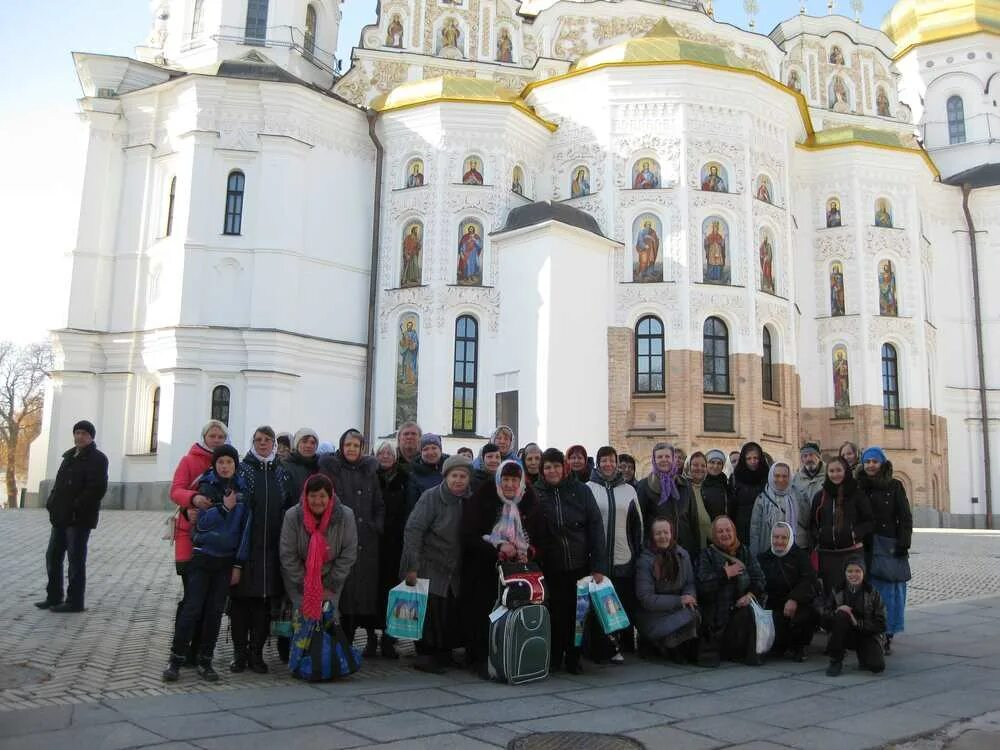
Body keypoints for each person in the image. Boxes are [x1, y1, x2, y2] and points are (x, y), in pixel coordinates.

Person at [163, 445, 251, 682]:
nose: (225, 466)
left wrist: (238, 564)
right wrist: (223, 508)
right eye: (220, 462)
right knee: (192, 608)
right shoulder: (206, 487)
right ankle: (176, 659)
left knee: (214, 612)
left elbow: (245, 531)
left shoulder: (242, 490)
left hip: (225, 560)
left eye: (229, 462)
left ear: (235, 465)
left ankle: (206, 660)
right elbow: (201, 524)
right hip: (203, 556)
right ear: (214, 464)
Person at [462, 460, 548, 676]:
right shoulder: (483, 498)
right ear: (499, 480)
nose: (510, 485)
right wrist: (498, 547)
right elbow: (469, 534)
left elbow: (542, 536)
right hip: (485, 569)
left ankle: (513, 655)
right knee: (483, 613)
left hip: (519, 572)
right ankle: (481, 658)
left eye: (514, 480)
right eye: (506, 480)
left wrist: (528, 551)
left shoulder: (530, 500)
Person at [535, 448, 607, 674]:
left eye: (556, 466)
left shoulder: (581, 491)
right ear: (542, 470)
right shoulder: (535, 493)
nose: (552, 470)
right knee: (555, 614)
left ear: (564, 467)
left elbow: (596, 527)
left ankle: (573, 658)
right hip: (550, 566)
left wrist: (598, 566)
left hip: (579, 564)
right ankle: (555, 657)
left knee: (578, 615)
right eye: (548, 467)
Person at [230, 426, 294, 673]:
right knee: (239, 602)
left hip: (272, 548)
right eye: (258, 439)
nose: (263, 443)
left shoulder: (281, 473)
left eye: (268, 440)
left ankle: (256, 653)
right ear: (252, 442)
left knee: (263, 604)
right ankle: (239, 653)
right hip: (245, 547)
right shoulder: (242, 470)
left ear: (274, 444)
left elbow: (289, 506)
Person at [402, 454, 472, 673]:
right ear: (446, 476)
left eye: (463, 476)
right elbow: (414, 530)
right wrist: (411, 566)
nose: (458, 480)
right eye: (454, 475)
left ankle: (444, 653)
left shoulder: (470, 500)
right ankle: (426, 655)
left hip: (455, 566)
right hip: (430, 563)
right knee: (430, 612)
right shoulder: (430, 497)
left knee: (449, 612)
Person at [167, 419, 228, 663]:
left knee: (208, 598)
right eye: (212, 436)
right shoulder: (189, 460)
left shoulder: (226, 462)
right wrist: (193, 499)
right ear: (204, 437)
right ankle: (183, 644)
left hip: (215, 539)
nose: (216, 440)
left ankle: (198, 648)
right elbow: (176, 490)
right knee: (192, 595)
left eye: (220, 437)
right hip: (189, 535)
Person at [319, 429, 385, 657]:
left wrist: (376, 525)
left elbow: (379, 504)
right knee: (342, 592)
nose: (351, 449)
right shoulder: (331, 469)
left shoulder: (370, 472)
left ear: (362, 448)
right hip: (340, 540)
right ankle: (340, 643)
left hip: (367, 542)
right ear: (341, 446)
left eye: (356, 446)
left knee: (365, 595)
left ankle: (367, 639)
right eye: (348, 445)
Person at [38, 420, 109, 613]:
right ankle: (53, 597)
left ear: (91, 437)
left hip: (79, 518)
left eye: (84, 433)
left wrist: (76, 506)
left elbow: (96, 489)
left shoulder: (98, 459)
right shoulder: (69, 456)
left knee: (75, 560)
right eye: (77, 432)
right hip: (60, 516)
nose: (79, 436)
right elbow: (59, 483)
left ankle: (75, 601)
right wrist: (52, 501)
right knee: (53, 556)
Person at [279, 472, 359, 643]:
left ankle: (325, 657)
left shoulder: (346, 516)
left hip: (332, 574)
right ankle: (301, 656)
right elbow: (288, 554)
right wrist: (307, 584)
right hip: (300, 576)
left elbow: (348, 553)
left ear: (330, 497)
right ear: (305, 496)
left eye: (322, 496)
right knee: (303, 617)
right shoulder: (292, 516)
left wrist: (330, 584)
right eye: (312, 496)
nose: (317, 501)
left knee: (329, 616)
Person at [586, 446, 643, 660]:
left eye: (611, 460)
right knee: (598, 605)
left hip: (623, 555)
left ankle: (621, 646)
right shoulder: (588, 488)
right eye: (603, 461)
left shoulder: (629, 490)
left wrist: (637, 552)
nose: (607, 464)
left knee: (620, 602)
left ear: (616, 462)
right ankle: (600, 650)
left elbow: (638, 525)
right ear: (598, 463)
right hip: (597, 557)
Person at [857, 446, 912, 655]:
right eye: (867, 461)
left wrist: (903, 543)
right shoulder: (858, 486)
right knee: (867, 591)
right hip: (865, 546)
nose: (871, 465)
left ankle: (887, 633)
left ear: (882, 464)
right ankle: (869, 631)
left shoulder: (894, 485)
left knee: (890, 592)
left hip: (888, 545)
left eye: (875, 461)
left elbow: (905, 517)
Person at [697, 516, 766, 667]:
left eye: (728, 530)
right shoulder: (706, 555)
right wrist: (725, 574)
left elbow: (759, 578)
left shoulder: (745, 552)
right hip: (717, 616)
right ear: (714, 535)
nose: (725, 534)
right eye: (720, 531)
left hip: (740, 610)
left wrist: (750, 595)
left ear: (734, 532)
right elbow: (703, 586)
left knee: (749, 610)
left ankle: (750, 655)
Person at [634, 518, 699, 662]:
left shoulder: (683, 555)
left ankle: (673, 646)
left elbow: (689, 583)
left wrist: (689, 596)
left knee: (694, 614)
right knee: (687, 619)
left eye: (666, 532)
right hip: (653, 614)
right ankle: (664, 644)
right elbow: (646, 598)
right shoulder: (644, 561)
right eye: (658, 533)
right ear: (652, 536)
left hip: (678, 609)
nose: (663, 536)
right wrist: (679, 600)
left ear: (672, 534)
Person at [810, 457, 873, 595]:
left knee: (852, 594)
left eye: (839, 470)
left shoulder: (857, 494)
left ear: (845, 471)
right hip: (827, 555)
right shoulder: (820, 496)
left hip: (852, 553)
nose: (835, 474)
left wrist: (853, 533)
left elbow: (869, 521)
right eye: (831, 471)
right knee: (829, 596)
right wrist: (820, 535)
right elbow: (813, 523)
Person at [757, 522, 818, 662]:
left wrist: (794, 598)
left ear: (790, 538)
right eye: (776, 537)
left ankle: (798, 647)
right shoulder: (763, 558)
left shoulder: (800, 556)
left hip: (797, 603)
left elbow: (808, 580)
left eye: (783, 538)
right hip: (773, 604)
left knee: (804, 616)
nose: (779, 541)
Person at [822, 558, 887, 676]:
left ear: (863, 573)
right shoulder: (837, 590)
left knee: (877, 666)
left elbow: (881, 623)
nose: (853, 575)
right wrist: (837, 612)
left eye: (857, 571)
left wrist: (857, 622)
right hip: (844, 633)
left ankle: (863, 656)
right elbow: (825, 618)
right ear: (845, 573)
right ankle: (835, 661)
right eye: (850, 571)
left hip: (867, 634)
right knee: (842, 615)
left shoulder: (873, 592)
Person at [375, 441, 408, 659]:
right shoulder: (370, 476)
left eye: (389, 452)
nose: (385, 455)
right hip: (374, 542)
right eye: (381, 452)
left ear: (396, 457)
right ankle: (370, 636)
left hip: (396, 542)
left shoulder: (404, 479)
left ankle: (389, 637)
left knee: (392, 591)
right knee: (372, 591)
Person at [641, 442, 700, 560]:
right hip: (656, 552)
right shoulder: (644, 486)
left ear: (673, 459)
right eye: (660, 457)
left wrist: (695, 549)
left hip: (684, 551)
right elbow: (641, 522)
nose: (664, 460)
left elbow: (693, 520)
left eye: (667, 456)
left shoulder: (685, 485)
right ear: (654, 460)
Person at [748, 462, 804, 559]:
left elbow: (804, 523)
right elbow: (755, 529)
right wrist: (754, 554)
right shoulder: (762, 498)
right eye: (777, 476)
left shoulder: (797, 496)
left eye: (784, 476)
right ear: (771, 476)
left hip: (792, 551)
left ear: (790, 477)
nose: (781, 480)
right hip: (767, 551)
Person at [729, 442, 769, 547]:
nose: (753, 462)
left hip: (763, 529)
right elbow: (732, 507)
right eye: (749, 458)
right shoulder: (736, 478)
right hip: (741, 530)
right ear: (743, 459)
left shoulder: (768, 477)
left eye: (756, 458)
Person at [791, 442, 825, 547]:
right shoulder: (796, 479)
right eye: (805, 456)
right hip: (803, 531)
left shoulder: (830, 474)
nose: (808, 459)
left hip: (823, 527)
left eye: (811, 455)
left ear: (818, 456)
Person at [405, 433, 447, 514]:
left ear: (440, 450)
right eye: (426, 449)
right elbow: (412, 506)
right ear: (421, 452)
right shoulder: (414, 475)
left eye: (434, 448)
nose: (430, 452)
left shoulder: (451, 469)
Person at [282, 428, 320, 503]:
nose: (308, 445)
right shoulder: (285, 466)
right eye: (304, 442)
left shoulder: (320, 466)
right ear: (297, 444)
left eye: (312, 443)